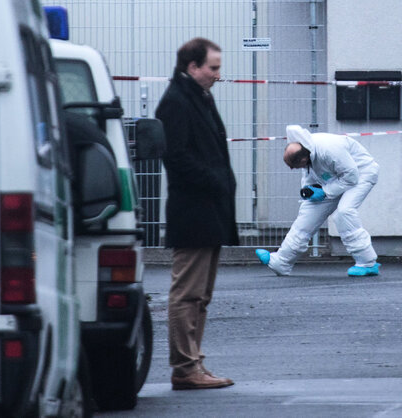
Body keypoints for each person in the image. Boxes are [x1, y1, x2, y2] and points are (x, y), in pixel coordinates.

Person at [155, 37, 237, 390]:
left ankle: (192, 363)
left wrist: (219, 185)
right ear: (193, 67)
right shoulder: (177, 101)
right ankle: (185, 367)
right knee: (188, 293)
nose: (217, 75)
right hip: (194, 210)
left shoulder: (196, 96)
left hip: (208, 209)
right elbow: (175, 156)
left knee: (199, 295)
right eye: (213, 68)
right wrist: (215, 181)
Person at [255, 125, 380, 277]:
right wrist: (309, 192)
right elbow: (310, 175)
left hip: (361, 173)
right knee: (307, 215)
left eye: (294, 166)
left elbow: (351, 177)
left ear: (303, 158)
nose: (291, 169)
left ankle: (367, 263)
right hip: (336, 178)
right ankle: (282, 261)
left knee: (344, 212)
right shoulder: (307, 153)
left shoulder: (329, 150)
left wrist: (325, 192)